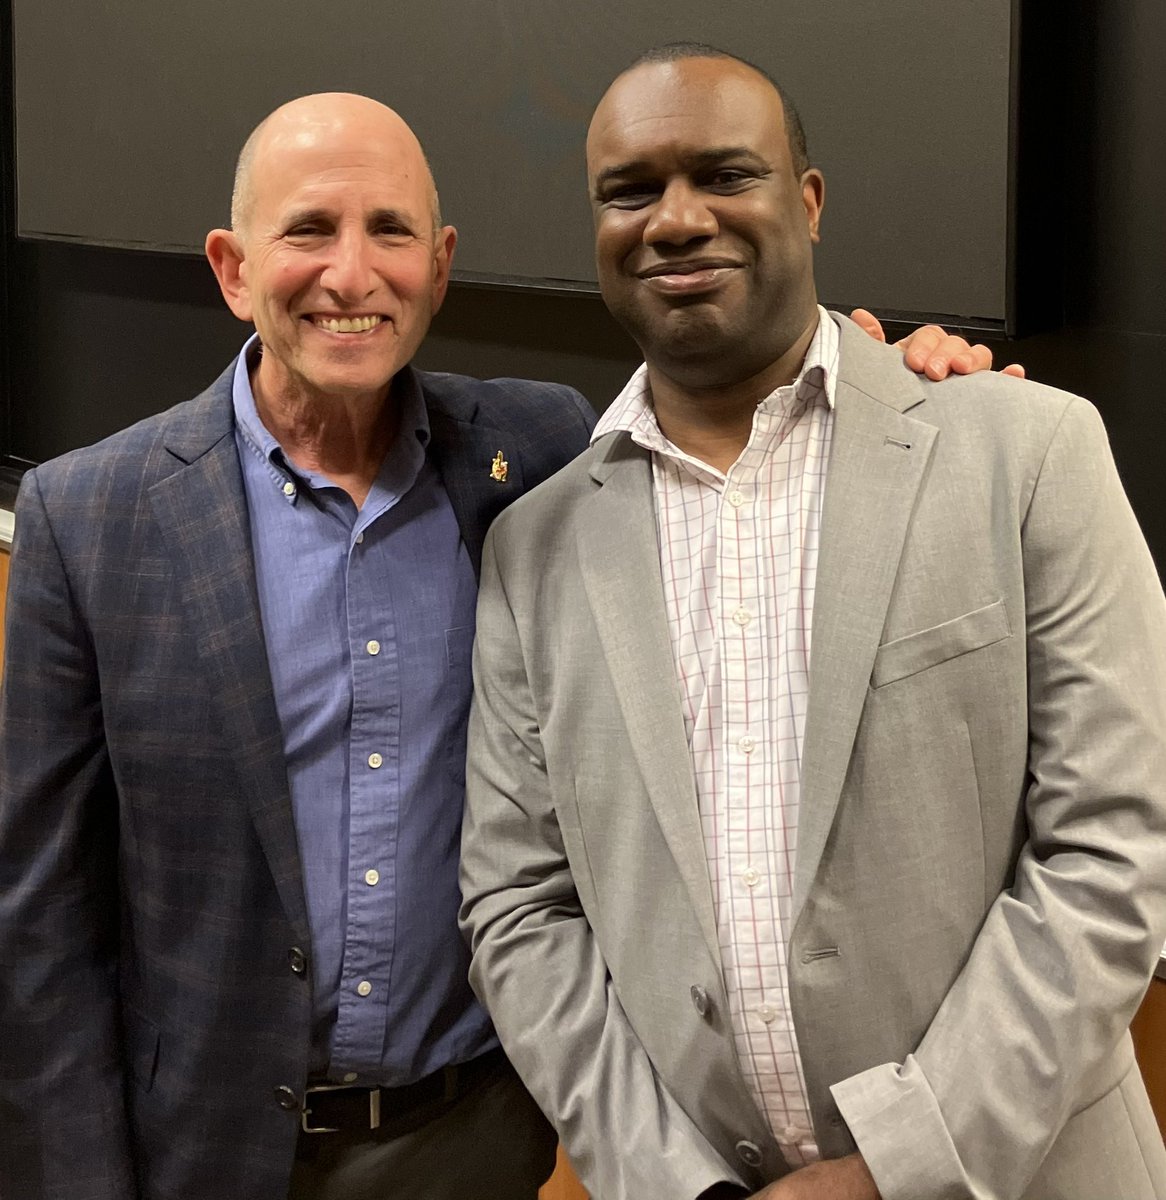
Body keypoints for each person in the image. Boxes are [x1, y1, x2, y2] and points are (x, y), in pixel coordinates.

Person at [0, 89, 1002, 1200]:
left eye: (390, 231)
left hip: (470, 1138)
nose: (352, 272)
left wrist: (899, 375)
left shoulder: (539, 453)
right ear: (233, 268)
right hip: (197, 1147)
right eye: (307, 231)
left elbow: (751, 410)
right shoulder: (87, 518)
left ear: (439, 265)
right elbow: (44, 918)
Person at [459, 45, 1166, 1200]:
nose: (674, 220)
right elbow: (515, 905)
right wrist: (674, 1185)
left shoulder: (1025, 452)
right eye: (628, 191)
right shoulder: (533, 550)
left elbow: (1111, 849)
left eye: (723, 173)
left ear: (808, 199)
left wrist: (893, 1167)